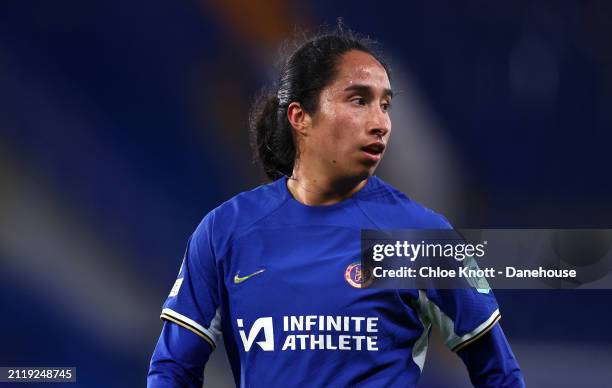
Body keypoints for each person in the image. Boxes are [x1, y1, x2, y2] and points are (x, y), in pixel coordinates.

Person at [148, 25, 525, 387]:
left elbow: (500, 374)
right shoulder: (225, 231)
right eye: (359, 100)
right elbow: (173, 368)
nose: (380, 122)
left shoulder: (422, 236)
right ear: (301, 117)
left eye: (386, 105)